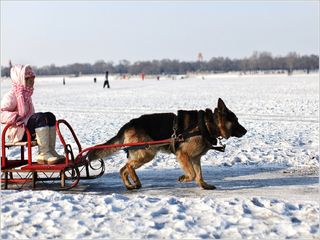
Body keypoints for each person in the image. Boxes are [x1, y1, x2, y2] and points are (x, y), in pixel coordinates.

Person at [1, 64, 64, 165]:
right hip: (19, 132)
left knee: (49, 116)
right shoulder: (12, 95)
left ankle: (50, 151)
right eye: (27, 79)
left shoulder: (26, 95)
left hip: (27, 130)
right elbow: (1, 113)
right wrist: (15, 117)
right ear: (20, 79)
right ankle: (43, 154)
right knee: (39, 117)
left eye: (32, 78)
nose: (31, 81)